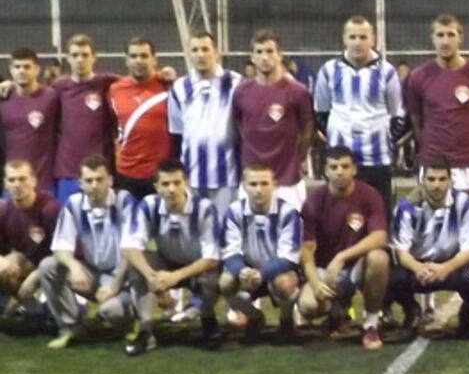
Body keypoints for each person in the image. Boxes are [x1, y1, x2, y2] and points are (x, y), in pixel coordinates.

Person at [120, 159, 221, 355]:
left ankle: (208, 319)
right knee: (136, 266)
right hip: (165, 262)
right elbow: (130, 247)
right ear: (156, 187)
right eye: (165, 184)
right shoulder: (149, 205)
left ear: (186, 183)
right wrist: (152, 277)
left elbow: (212, 258)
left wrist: (174, 278)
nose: (172, 189)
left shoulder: (205, 208)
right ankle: (145, 329)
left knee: (213, 276)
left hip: (196, 266)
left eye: (177, 183)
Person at [38, 155, 136, 349]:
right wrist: (74, 266)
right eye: (89, 180)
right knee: (48, 266)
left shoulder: (125, 201)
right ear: (80, 183)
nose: (94, 185)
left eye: (99, 179)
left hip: (122, 277)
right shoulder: (73, 204)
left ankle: (130, 323)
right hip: (92, 273)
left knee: (111, 311)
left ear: (110, 180)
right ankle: (71, 328)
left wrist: (114, 286)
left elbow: (132, 249)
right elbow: (60, 246)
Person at [297, 146, 390, 350]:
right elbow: (307, 250)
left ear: (354, 169)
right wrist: (315, 283)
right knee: (308, 306)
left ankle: (371, 324)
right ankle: (336, 312)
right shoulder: (314, 201)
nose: (340, 172)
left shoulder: (369, 195)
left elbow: (380, 236)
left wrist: (342, 256)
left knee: (379, 258)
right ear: (325, 171)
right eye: (334, 167)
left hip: (357, 267)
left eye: (345, 166)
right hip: (326, 271)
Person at [314, 16, 405, 207]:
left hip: (377, 159)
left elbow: (398, 114)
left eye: (363, 37)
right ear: (344, 39)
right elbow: (320, 113)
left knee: (379, 213)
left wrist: (386, 139)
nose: (357, 42)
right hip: (340, 161)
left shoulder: (387, 72)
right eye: (352, 37)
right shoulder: (329, 70)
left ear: (373, 39)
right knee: (339, 215)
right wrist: (335, 135)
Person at [390, 156, 469, 337]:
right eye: (431, 179)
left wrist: (445, 268)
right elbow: (400, 251)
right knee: (393, 278)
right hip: (419, 268)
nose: (437, 185)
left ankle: (466, 313)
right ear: (422, 180)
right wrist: (417, 267)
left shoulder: (465, 204)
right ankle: (411, 311)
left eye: (442, 179)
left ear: (450, 180)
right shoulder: (406, 207)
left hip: (452, 267)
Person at [406, 14, 469, 191]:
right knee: (434, 209)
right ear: (432, 38)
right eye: (440, 35)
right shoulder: (418, 76)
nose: (445, 42)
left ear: (460, 38)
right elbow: (417, 122)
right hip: (433, 164)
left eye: (451, 35)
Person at [231, 30, 314, 212]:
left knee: (292, 229)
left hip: (287, 181)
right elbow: (238, 125)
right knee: (251, 228)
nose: (264, 57)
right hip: (253, 180)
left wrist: (298, 157)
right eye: (259, 52)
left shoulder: (298, 91)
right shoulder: (241, 92)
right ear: (252, 57)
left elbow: (307, 127)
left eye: (269, 51)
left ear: (280, 55)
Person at [219, 163, 303, 341]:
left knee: (285, 283)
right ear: (244, 186)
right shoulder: (234, 212)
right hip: (247, 271)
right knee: (225, 282)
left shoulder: (288, 213)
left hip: (277, 272)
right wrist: (241, 270)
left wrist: (262, 273)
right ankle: (254, 316)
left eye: (264, 184)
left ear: (274, 185)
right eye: (253, 184)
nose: (259, 190)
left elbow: (289, 257)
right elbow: (229, 251)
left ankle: (286, 319)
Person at [169, 31, 241, 218]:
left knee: (225, 229)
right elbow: (177, 133)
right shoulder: (179, 87)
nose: (200, 55)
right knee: (195, 229)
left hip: (227, 177)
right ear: (188, 53)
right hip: (191, 177)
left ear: (216, 51)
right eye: (195, 50)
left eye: (205, 49)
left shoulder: (236, 83)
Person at [52, 34, 119, 204]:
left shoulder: (107, 83)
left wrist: (161, 75)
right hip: (68, 172)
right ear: (68, 58)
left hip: (99, 173)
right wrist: (9, 85)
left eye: (85, 55)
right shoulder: (59, 86)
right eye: (75, 55)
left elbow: (136, 81)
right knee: (69, 218)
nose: (80, 60)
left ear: (94, 57)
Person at [110, 37, 172, 198]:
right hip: (125, 174)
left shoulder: (169, 86)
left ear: (154, 59)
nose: (139, 61)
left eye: (144, 56)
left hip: (160, 176)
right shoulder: (114, 90)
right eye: (134, 56)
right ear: (126, 60)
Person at [0, 159, 62, 309]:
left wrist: (35, 276)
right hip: (27, 263)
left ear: (34, 181)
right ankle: (24, 307)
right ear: (5, 184)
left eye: (22, 179)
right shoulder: (4, 211)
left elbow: (65, 253)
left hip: (52, 268)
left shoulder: (50, 209)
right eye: (12, 180)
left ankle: (64, 304)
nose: (17, 184)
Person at [0, 48, 60, 194]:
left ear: (37, 69)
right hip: (12, 184)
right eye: (17, 67)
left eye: (27, 67)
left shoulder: (51, 96)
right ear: (11, 70)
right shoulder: (3, 98)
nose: (22, 71)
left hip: (44, 184)